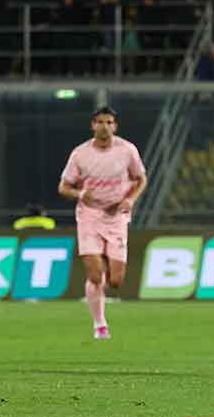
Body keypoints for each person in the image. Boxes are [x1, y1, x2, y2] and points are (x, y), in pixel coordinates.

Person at [57, 107, 147, 340]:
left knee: (115, 281)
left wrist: (130, 200)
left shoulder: (127, 150)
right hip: (89, 216)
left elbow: (141, 179)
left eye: (109, 122)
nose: (104, 126)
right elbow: (63, 187)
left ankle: (98, 286)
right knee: (96, 275)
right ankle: (100, 325)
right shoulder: (80, 154)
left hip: (116, 217)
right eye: (100, 122)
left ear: (115, 126)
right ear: (92, 125)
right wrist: (79, 194)